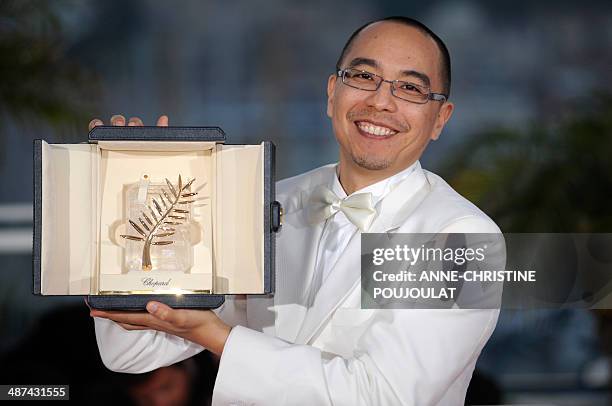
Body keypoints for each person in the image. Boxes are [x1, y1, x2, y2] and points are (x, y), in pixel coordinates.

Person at [90, 16, 501, 405]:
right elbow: (131, 354)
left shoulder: (464, 237)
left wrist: (219, 338)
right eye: (363, 76)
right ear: (331, 93)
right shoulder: (269, 202)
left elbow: (384, 396)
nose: (380, 101)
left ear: (439, 119)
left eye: (409, 89)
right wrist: (132, 211)